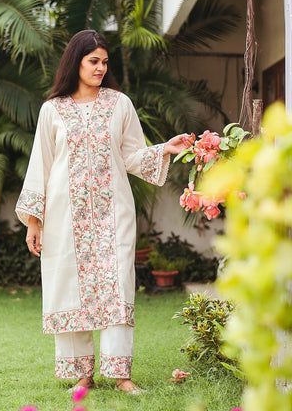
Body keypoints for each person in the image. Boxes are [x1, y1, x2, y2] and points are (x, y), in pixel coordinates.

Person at [15, 29, 194, 395]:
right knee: (71, 289)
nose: (100, 68)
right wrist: (35, 221)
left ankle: (120, 373)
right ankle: (83, 374)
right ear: (75, 62)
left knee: (117, 286)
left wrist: (164, 148)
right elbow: (41, 166)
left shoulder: (119, 104)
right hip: (66, 220)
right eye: (93, 61)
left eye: (104, 62)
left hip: (114, 215)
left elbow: (130, 156)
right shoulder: (53, 110)